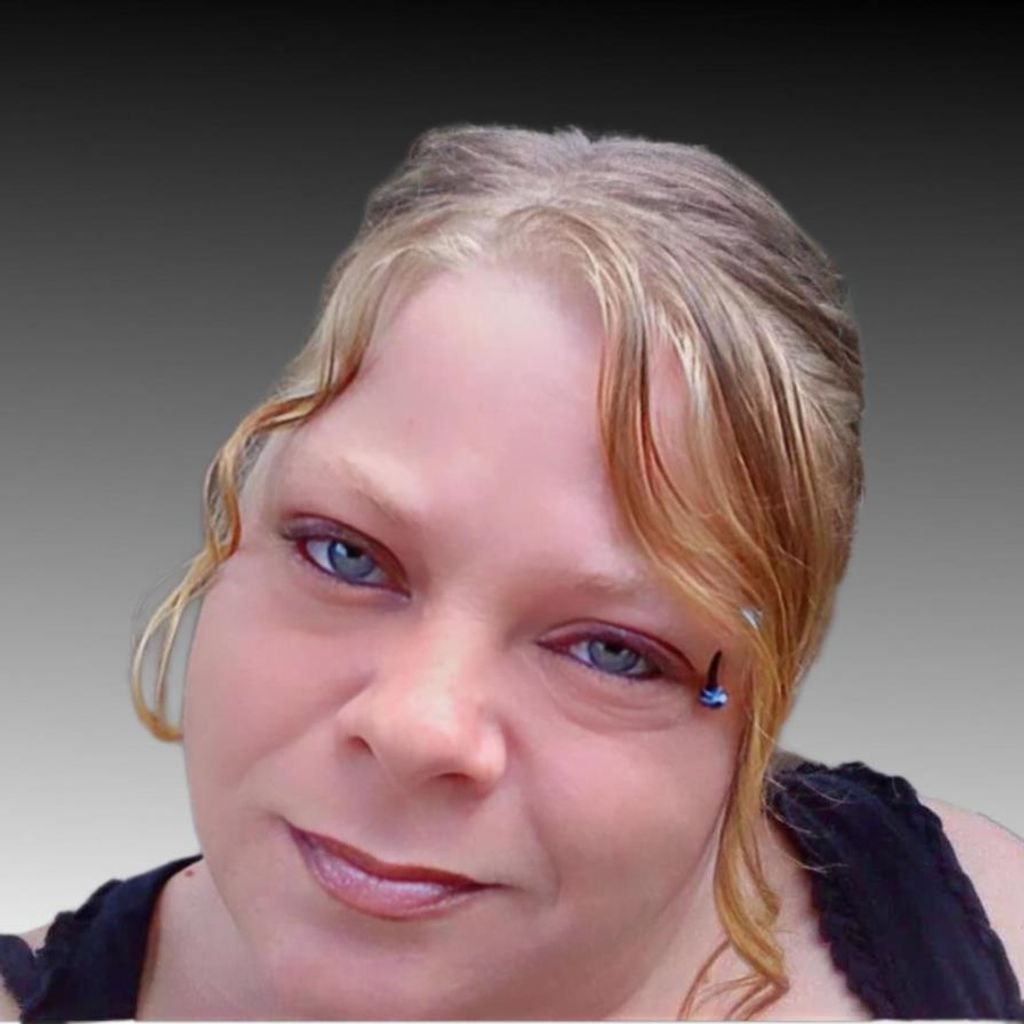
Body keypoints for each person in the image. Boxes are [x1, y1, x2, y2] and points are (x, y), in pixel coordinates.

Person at [1, 123, 1022, 1022]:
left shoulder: (986, 926)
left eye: (614, 651)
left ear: (759, 707)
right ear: (230, 526)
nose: (417, 729)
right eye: (344, 555)